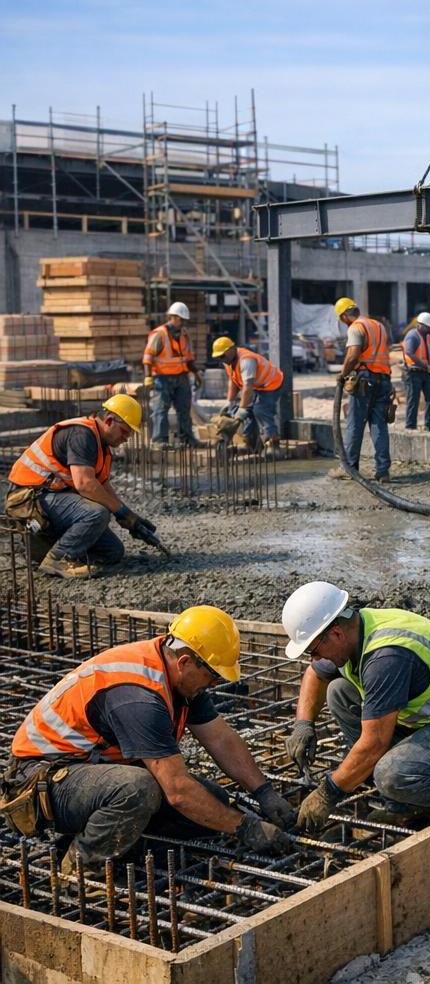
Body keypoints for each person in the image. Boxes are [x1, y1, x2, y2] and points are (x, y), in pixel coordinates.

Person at [4, 605, 295, 876]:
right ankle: (81, 870)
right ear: (185, 661)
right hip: (40, 782)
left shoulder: (177, 678)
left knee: (212, 803)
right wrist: (246, 828)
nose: (214, 684)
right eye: (213, 676)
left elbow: (220, 739)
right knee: (138, 790)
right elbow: (178, 790)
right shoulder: (137, 696)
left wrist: (263, 792)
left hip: (87, 773)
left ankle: (123, 851)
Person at [280, 582, 430, 829]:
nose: (314, 658)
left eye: (314, 650)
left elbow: (374, 744)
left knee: (392, 774)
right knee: (338, 693)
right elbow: (314, 674)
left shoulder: (385, 657)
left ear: (336, 633)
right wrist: (304, 725)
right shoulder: (357, 629)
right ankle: (391, 788)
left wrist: (329, 792)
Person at [6, 395, 152, 579]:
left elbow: (102, 485)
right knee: (97, 513)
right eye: (124, 431)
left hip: (52, 500)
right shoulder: (82, 434)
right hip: (29, 500)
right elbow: (85, 484)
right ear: (109, 421)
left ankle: (53, 551)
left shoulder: (101, 445)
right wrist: (120, 511)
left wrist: (130, 516)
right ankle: (58, 559)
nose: (126, 438)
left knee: (113, 552)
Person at [333, 297, 393, 481]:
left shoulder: (356, 327)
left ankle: (350, 468)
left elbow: (353, 356)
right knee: (379, 425)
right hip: (384, 380)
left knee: (355, 424)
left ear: (344, 316)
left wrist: (342, 375)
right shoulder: (378, 325)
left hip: (365, 381)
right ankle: (383, 471)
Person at [141, 300, 201, 448]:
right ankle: (159, 441)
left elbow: (188, 359)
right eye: (180, 319)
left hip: (181, 377)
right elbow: (148, 358)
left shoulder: (184, 335)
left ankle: (187, 439)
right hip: (162, 378)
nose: (182, 323)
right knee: (161, 409)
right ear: (172, 317)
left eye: (184, 320)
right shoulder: (159, 334)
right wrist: (148, 378)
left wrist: (197, 374)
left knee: (184, 409)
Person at [211, 336, 284, 451]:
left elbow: (247, 386)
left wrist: (242, 408)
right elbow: (233, 381)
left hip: (271, 383)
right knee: (247, 412)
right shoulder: (228, 361)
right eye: (218, 357)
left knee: (261, 410)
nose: (221, 359)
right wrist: (229, 402)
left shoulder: (246, 360)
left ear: (232, 349)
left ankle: (273, 444)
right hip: (255, 386)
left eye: (222, 356)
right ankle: (251, 444)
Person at [400, 312, 430, 432]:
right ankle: (410, 426)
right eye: (429, 327)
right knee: (413, 399)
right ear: (421, 326)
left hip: (427, 373)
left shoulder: (429, 337)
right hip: (413, 372)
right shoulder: (412, 336)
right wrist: (424, 365)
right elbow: (410, 353)